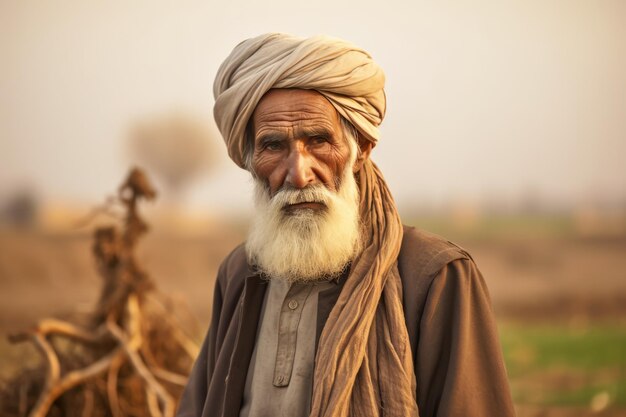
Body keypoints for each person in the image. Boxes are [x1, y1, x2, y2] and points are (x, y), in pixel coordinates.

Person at [177, 33, 515, 417]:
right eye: (273, 146)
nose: (299, 174)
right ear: (251, 160)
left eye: (318, 141)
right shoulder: (240, 272)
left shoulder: (436, 276)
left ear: (361, 149)